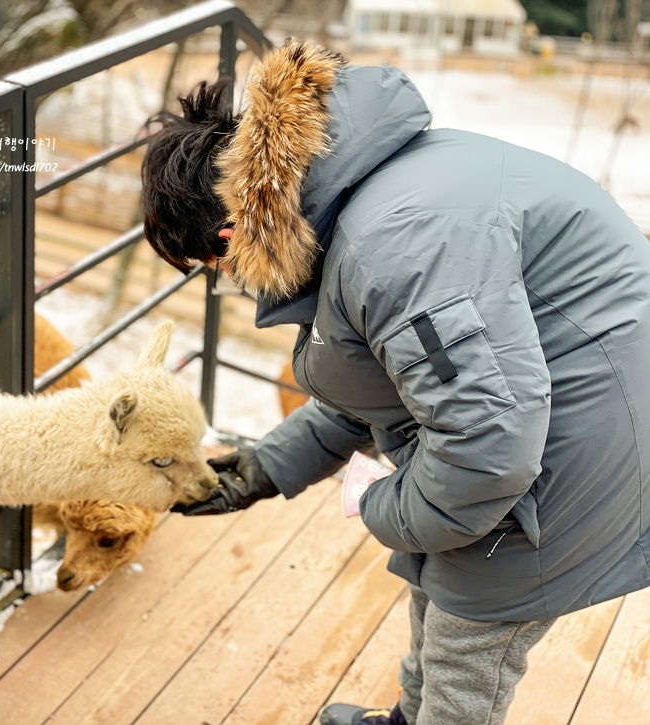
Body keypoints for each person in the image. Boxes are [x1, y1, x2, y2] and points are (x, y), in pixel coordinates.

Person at [141, 40, 650, 725]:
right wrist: (267, 465)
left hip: (583, 442)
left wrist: (383, 506)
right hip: (573, 405)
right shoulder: (360, 194)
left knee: (468, 644)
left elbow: (489, 444)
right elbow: (388, 379)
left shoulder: (393, 247)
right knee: (440, 573)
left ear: (231, 231)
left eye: (212, 264)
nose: (226, 280)